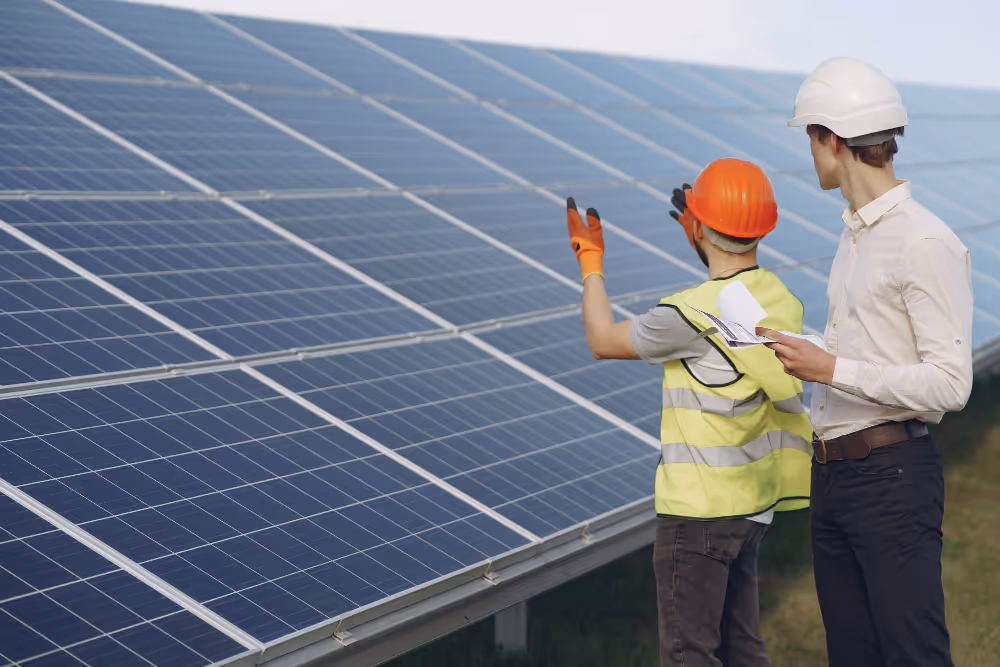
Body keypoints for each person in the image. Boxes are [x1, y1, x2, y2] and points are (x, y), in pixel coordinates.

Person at [758, 57, 973, 667]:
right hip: (834, 477)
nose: (810, 152)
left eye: (810, 137)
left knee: (912, 654)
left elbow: (951, 384)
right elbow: (864, 353)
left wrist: (830, 369)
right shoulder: (854, 236)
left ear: (832, 139)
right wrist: (799, 358)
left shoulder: (922, 241)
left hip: (892, 478)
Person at [567, 158, 813, 667]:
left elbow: (601, 340)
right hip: (750, 510)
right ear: (761, 228)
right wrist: (706, 241)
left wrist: (591, 263)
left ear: (697, 225)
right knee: (743, 647)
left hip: (697, 517)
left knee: (690, 655)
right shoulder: (779, 300)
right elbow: (734, 296)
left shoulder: (687, 315)